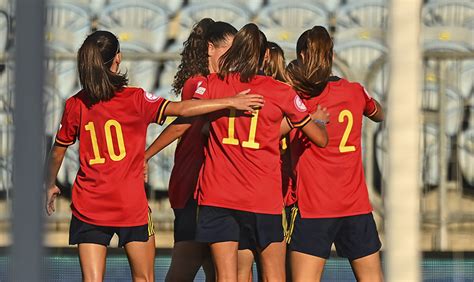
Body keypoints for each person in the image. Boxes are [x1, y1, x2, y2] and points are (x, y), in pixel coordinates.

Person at [44, 30, 264, 282]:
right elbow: (181, 109)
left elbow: (58, 151)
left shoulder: (76, 104)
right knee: (144, 278)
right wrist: (229, 102)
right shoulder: (135, 98)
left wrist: (49, 184)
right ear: (118, 58)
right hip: (129, 204)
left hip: (90, 206)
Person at [192, 23, 329, 282]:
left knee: (227, 275)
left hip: (218, 195)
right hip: (262, 198)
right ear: (266, 56)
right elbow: (320, 139)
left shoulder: (213, 84)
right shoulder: (281, 92)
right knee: (274, 274)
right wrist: (318, 121)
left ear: (235, 52)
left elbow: (186, 111)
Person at [285, 26, 385, 282]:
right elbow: (379, 113)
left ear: (303, 56)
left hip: (314, 206)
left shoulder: (297, 98)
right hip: (355, 205)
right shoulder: (354, 90)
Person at [144, 18, 238, 282]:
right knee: (184, 267)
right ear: (210, 48)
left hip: (214, 190)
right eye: (229, 50)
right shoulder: (199, 83)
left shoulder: (223, 85)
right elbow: (182, 124)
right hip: (193, 186)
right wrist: (146, 155)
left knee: (216, 270)